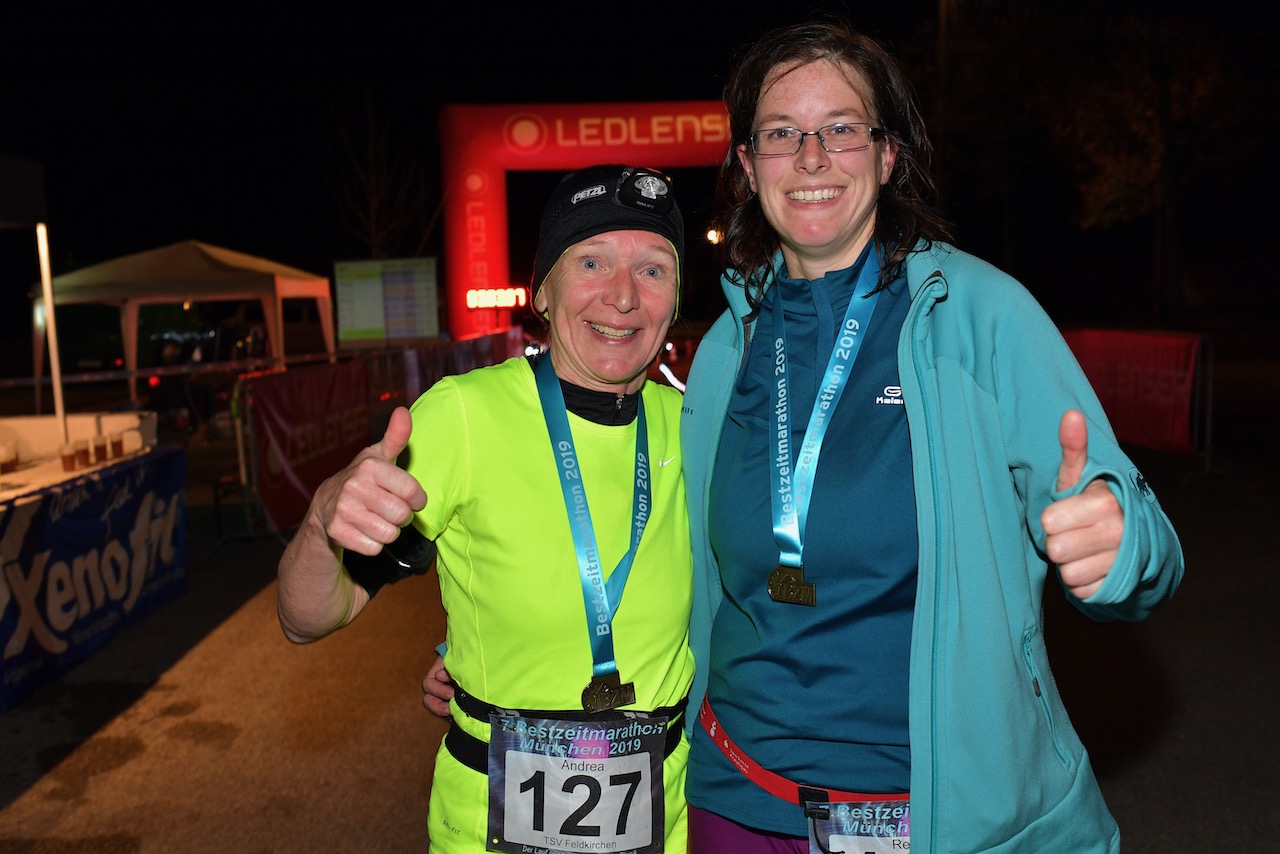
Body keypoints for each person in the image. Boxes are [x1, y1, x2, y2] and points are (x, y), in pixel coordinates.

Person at [674, 17, 1185, 854]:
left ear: (887, 156)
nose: (810, 157)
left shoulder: (979, 314)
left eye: (842, 129)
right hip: (735, 806)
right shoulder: (729, 342)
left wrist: (1119, 544)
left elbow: (1141, 538)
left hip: (926, 818)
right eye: (780, 134)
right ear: (746, 165)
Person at [278, 164, 696, 854]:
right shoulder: (463, 415)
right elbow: (306, 619)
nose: (622, 297)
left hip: (668, 822)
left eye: (653, 270)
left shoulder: (692, 425)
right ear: (542, 289)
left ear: (675, 298)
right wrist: (324, 522)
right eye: (591, 261)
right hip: (492, 830)